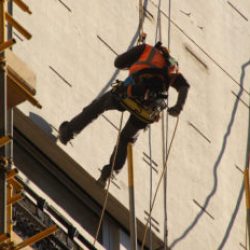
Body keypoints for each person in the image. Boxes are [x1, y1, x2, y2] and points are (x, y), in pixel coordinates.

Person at [58, 42, 190, 186]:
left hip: (129, 93)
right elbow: (184, 86)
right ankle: (108, 174)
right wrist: (178, 107)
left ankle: (67, 133)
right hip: (149, 109)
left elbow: (118, 62)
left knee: (97, 108)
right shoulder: (172, 67)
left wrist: (133, 62)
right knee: (127, 139)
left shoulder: (146, 49)